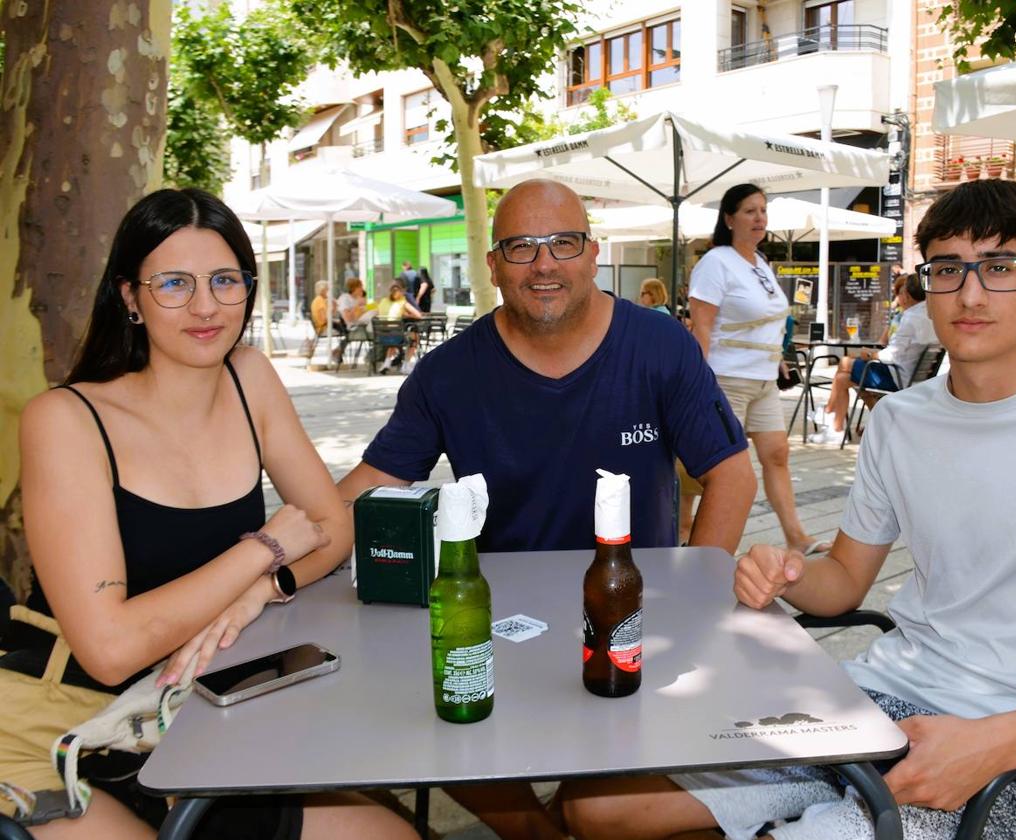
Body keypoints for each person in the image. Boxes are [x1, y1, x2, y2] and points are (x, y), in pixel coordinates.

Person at [559, 177, 1016, 840]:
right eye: (949, 269)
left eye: (1002, 268)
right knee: (599, 804)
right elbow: (840, 584)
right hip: (873, 702)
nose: (971, 294)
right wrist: (784, 571)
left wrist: (993, 744)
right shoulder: (900, 419)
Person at [337, 178, 758, 840]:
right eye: (521, 247)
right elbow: (366, 488)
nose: (544, 265)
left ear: (593, 253)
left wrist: (690, 596)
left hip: (629, 606)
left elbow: (732, 475)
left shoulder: (658, 347)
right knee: (440, 701)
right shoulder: (448, 372)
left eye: (563, 243)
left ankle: (573, 811)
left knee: (606, 791)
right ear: (494, 264)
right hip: (503, 614)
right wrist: (270, 558)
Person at [3, 189, 418, 839]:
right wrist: (262, 549)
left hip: (202, 710)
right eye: (174, 283)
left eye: (225, 281)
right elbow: (109, 650)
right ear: (130, 297)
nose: (205, 306)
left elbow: (334, 527)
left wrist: (264, 588)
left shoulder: (249, 377)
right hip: (68, 729)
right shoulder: (66, 420)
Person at [683, 183, 831, 557]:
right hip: (725, 378)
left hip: (763, 378)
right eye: (750, 211)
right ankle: (694, 539)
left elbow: (768, 320)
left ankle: (796, 536)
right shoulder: (715, 262)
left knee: (777, 455)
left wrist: (776, 357)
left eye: (763, 210)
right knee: (721, 471)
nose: (760, 218)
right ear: (729, 218)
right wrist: (695, 382)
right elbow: (701, 325)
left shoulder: (760, 263)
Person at [810, 271, 938, 444]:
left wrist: (870, 354)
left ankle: (830, 418)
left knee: (845, 363)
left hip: (898, 377)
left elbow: (892, 355)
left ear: (906, 295)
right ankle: (835, 424)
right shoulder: (931, 315)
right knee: (842, 378)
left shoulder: (910, 317)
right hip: (915, 378)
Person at [378, 281, 423, 374]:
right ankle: (406, 365)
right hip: (396, 336)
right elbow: (418, 315)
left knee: (393, 339)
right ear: (401, 292)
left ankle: (387, 363)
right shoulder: (402, 302)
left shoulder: (383, 301)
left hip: (382, 335)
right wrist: (406, 315)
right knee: (414, 338)